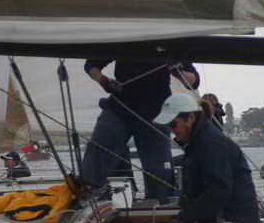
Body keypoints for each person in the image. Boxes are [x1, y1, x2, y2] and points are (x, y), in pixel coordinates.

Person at [155, 93, 261, 223]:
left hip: (232, 218)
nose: (172, 130)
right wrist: (192, 215)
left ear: (190, 118)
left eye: (174, 124)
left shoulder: (210, 143)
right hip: (227, 217)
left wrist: (185, 217)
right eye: (169, 126)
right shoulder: (200, 141)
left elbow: (219, 190)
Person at [81, 58, 198, 201]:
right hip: (120, 107)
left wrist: (179, 73)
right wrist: (104, 81)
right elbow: (91, 65)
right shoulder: (124, 42)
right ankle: (88, 193)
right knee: (99, 145)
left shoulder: (169, 46)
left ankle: (160, 204)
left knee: (158, 172)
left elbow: (194, 80)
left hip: (156, 113)